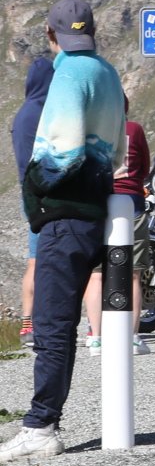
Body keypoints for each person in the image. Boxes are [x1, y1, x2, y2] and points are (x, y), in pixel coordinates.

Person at [0, 0, 127, 464]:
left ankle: (41, 427)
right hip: (97, 207)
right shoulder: (108, 73)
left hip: (64, 214)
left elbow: (64, 151)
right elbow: (116, 152)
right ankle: (45, 420)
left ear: (50, 34)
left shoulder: (69, 73)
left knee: (53, 325)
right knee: (64, 323)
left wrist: (35, 187)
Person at [84, 96, 150, 355]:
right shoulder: (134, 129)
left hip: (99, 202)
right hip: (131, 202)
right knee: (133, 273)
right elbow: (144, 167)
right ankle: (132, 338)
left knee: (96, 274)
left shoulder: (92, 131)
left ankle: (96, 338)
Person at [10, 36, 55, 350]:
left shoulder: (23, 113)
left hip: (29, 193)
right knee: (47, 261)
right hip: (45, 194)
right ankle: (43, 323)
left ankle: (28, 323)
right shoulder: (43, 113)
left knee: (34, 260)